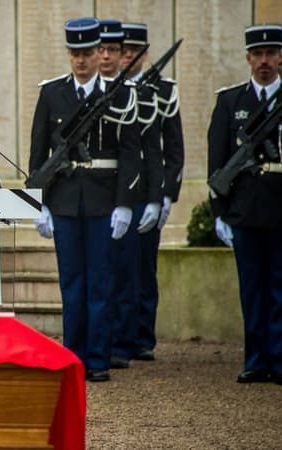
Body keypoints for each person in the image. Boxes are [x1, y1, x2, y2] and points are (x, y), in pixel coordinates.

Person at [207, 24, 282, 387]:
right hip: (245, 208)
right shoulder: (230, 102)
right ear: (247, 58)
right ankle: (255, 359)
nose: (264, 62)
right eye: (257, 55)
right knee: (252, 289)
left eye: (272, 54)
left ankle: (281, 360)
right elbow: (218, 162)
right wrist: (219, 213)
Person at [30, 18, 141, 382]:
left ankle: (97, 358)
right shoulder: (51, 94)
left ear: (100, 54)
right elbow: (38, 152)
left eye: (88, 53)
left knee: (101, 282)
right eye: (75, 53)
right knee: (72, 283)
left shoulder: (121, 94)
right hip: (63, 200)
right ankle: (72, 355)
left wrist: (125, 203)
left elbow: (130, 154)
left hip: (102, 200)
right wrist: (39, 202)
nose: (81, 60)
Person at [115, 22, 185, 364]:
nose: (128, 56)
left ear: (145, 55)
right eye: (123, 50)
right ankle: (118, 334)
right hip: (111, 190)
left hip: (145, 189)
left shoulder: (162, 90)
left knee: (143, 267)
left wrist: (166, 194)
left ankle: (142, 336)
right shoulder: (108, 89)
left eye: (134, 51)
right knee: (114, 268)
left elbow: (172, 149)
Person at [98, 19, 163, 370]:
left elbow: (151, 151)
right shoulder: (77, 90)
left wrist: (157, 196)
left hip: (129, 191)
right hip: (92, 193)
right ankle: (102, 339)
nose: (110, 56)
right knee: (100, 272)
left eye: (116, 50)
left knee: (128, 271)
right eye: (103, 49)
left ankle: (125, 340)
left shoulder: (142, 96)